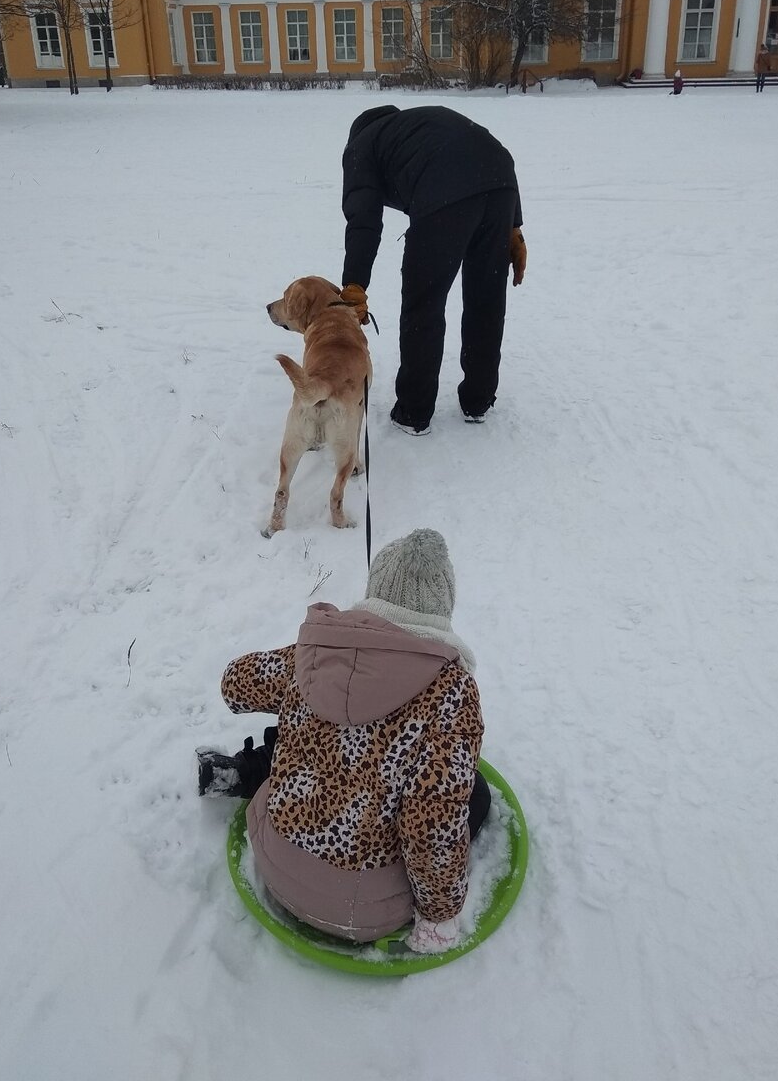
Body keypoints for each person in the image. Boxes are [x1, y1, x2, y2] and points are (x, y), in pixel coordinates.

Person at [198, 528, 490, 954]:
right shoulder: (452, 692)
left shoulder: (319, 653)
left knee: (304, 731)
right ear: (441, 609)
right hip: (364, 907)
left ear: (374, 590)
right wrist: (438, 914)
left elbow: (235, 684)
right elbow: (431, 827)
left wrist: (306, 659)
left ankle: (245, 772)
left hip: (274, 855)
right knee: (471, 794)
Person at [336, 105, 527, 436]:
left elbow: (363, 220)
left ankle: (413, 410)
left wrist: (354, 283)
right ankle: (478, 400)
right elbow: (487, 151)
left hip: (444, 189)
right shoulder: (415, 125)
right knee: (487, 299)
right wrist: (512, 224)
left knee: (423, 304)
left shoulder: (361, 146)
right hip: (501, 180)